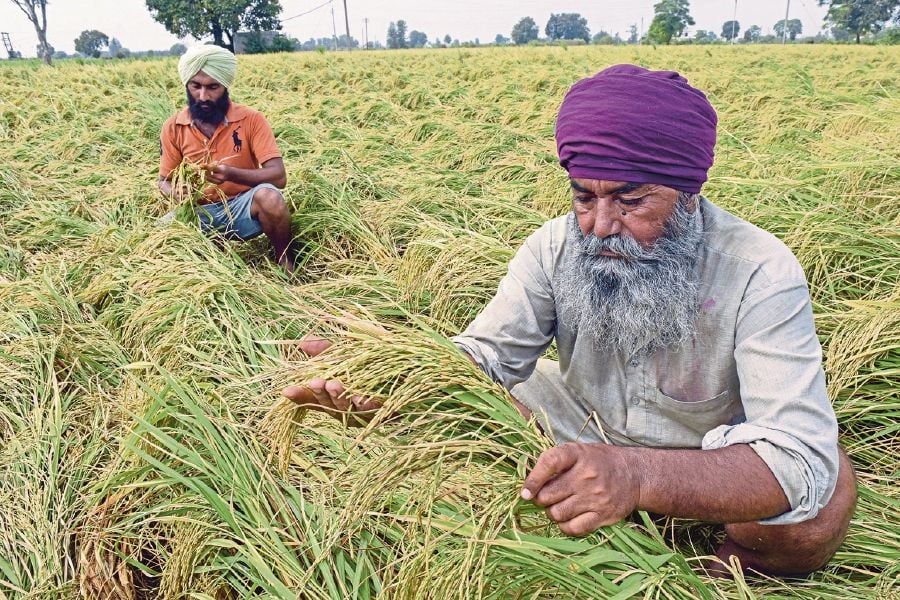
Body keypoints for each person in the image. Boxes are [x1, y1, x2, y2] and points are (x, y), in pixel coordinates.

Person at [282, 65, 856, 577]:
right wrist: (390, 378)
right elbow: (484, 358)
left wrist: (637, 477)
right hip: (582, 421)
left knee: (804, 525)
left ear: (687, 195)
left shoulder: (759, 269)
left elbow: (796, 459)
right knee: (466, 411)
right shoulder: (554, 247)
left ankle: (735, 567)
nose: (600, 225)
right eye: (584, 197)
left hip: (711, 449)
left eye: (631, 202)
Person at [158, 45, 294, 273]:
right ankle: (205, 258)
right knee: (155, 236)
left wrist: (231, 173)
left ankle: (285, 262)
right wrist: (177, 192)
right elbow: (163, 180)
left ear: (225, 86)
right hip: (198, 212)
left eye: (213, 87)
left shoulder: (251, 119)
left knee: (270, 197)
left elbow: (279, 177)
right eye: (196, 86)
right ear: (187, 86)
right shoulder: (173, 126)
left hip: (243, 207)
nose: (203, 96)